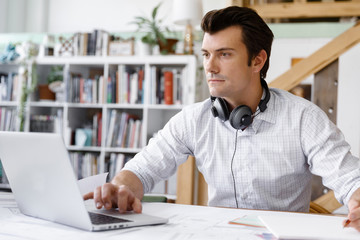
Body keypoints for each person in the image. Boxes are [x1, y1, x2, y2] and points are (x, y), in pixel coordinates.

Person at [84, 6, 360, 231]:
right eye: (206, 54)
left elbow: (349, 179)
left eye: (224, 54)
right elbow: (142, 170)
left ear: (257, 61)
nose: (210, 66)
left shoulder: (303, 118)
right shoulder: (194, 119)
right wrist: (120, 188)